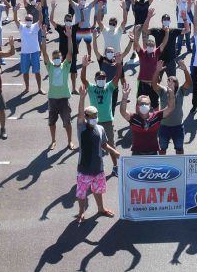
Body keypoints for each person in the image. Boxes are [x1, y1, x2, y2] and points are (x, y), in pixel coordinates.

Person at [75, 86, 120, 223]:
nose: (94, 118)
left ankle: (101, 208)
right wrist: (82, 98)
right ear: (86, 117)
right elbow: (80, 115)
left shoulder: (100, 129)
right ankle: (81, 212)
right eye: (91, 116)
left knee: (98, 190)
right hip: (84, 168)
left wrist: (113, 151)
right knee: (82, 193)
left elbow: (104, 144)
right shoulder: (81, 128)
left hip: (98, 167)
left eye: (96, 116)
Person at [80, 54, 123, 175]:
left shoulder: (109, 87)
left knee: (111, 145)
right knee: (93, 146)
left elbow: (117, 76)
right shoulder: (92, 88)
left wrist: (119, 64)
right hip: (94, 121)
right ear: (95, 79)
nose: (102, 79)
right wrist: (84, 67)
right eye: (99, 78)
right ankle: (91, 167)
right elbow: (83, 79)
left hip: (107, 121)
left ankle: (115, 166)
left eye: (103, 78)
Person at [41, 26, 75, 150]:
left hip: (64, 99)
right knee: (52, 122)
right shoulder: (49, 66)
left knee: (67, 123)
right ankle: (53, 141)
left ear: (61, 58)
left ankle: (70, 141)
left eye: (58, 57)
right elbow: (44, 51)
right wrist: (44, 36)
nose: (56, 59)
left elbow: (70, 52)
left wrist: (70, 37)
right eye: (54, 57)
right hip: (52, 99)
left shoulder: (65, 66)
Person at [119, 83, 175, 155]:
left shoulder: (156, 116)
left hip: (153, 153)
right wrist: (124, 97)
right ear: (138, 106)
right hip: (137, 154)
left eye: (146, 104)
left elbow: (170, 108)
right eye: (141, 104)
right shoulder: (133, 118)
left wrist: (172, 94)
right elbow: (123, 111)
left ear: (150, 106)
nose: (144, 105)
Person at [152, 60, 191, 155]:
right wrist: (157, 71)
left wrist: (185, 70)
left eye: (173, 82)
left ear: (177, 84)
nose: (170, 83)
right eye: (168, 81)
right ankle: (162, 168)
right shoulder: (162, 91)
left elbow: (189, 82)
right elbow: (153, 84)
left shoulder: (181, 91)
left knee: (179, 149)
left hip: (178, 127)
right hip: (164, 127)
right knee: (162, 149)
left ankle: (180, 166)